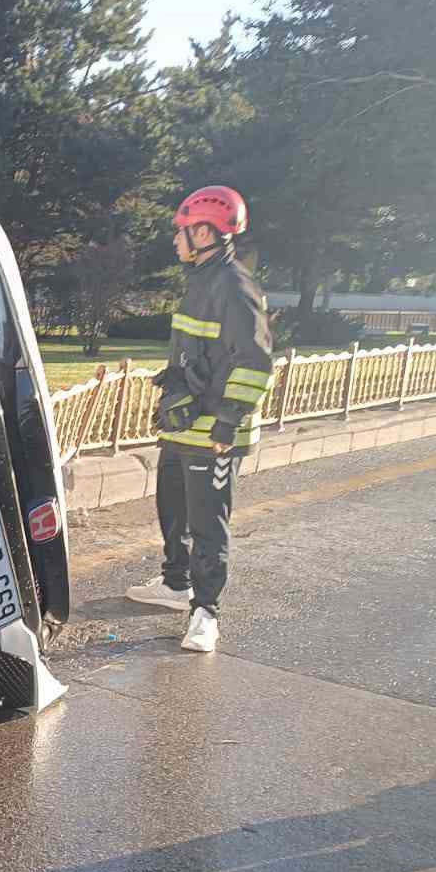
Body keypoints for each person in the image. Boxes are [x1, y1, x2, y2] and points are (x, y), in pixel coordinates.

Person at [126, 185, 273, 653]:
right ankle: (175, 584)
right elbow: (200, 353)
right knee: (173, 507)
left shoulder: (235, 286)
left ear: (206, 232)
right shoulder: (202, 280)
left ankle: (206, 612)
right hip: (184, 425)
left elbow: (254, 360)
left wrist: (228, 423)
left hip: (216, 432)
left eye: (182, 232)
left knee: (209, 522)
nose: (176, 240)